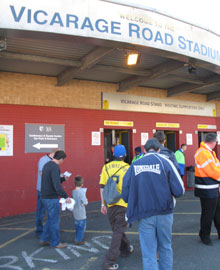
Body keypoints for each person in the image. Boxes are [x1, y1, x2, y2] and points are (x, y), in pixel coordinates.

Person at [122, 138, 185, 270]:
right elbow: (179, 190)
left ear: (144, 150)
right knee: (165, 248)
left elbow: (125, 194)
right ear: (159, 149)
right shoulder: (166, 162)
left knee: (149, 253)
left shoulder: (135, 164)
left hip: (144, 214)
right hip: (164, 213)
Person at [99, 144, 133, 270]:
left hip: (110, 203)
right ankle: (109, 262)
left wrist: (103, 204)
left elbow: (102, 186)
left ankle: (126, 249)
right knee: (118, 231)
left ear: (113, 155)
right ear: (125, 155)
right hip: (124, 204)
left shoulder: (106, 167)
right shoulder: (128, 168)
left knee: (117, 229)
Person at [40, 150, 71, 248]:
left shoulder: (47, 165)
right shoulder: (54, 167)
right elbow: (56, 185)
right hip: (51, 197)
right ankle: (55, 242)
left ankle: (44, 239)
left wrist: (62, 179)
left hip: (44, 196)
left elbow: (52, 180)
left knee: (51, 219)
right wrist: (65, 196)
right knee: (54, 221)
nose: (63, 162)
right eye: (63, 160)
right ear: (61, 159)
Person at [194, 133, 220, 246]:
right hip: (207, 189)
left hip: (213, 188)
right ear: (213, 142)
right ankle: (204, 235)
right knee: (208, 214)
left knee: (217, 212)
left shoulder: (210, 152)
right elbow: (213, 171)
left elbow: (217, 167)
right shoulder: (203, 153)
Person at [35, 148, 58, 238]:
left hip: (49, 191)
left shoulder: (53, 161)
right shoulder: (43, 160)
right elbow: (42, 173)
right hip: (42, 190)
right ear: (54, 153)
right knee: (41, 212)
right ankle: (39, 231)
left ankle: (49, 230)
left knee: (51, 213)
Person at [72, 175, 88, 245]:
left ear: (74, 183)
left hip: (75, 212)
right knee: (82, 227)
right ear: (82, 185)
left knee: (77, 226)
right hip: (81, 212)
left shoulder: (73, 191)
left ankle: (78, 237)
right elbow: (85, 202)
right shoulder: (81, 192)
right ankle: (78, 240)